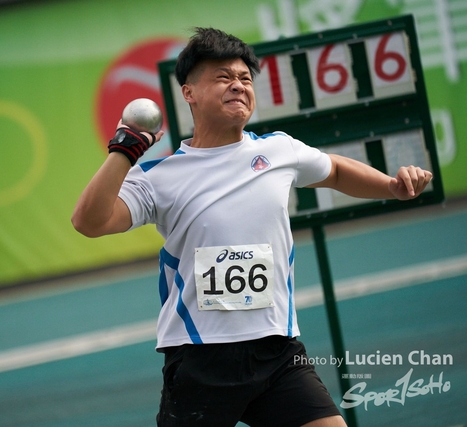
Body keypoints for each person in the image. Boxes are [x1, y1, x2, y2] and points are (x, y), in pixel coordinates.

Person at [72, 27, 432, 427]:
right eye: (223, 78)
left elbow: (336, 171)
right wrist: (124, 152)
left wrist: (391, 187)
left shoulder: (278, 150)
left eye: (245, 79)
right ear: (188, 93)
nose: (238, 86)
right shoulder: (159, 175)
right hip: (200, 357)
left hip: (276, 350)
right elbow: (89, 222)